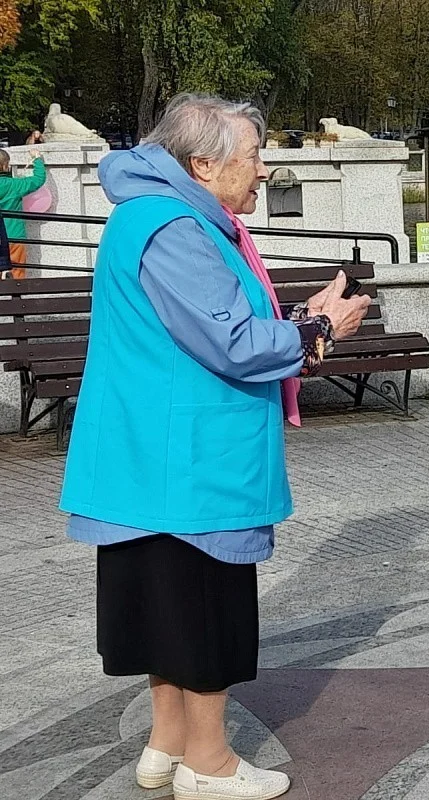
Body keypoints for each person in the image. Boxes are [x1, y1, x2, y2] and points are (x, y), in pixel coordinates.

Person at [58, 93, 372, 800]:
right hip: (189, 463)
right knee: (205, 615)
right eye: (254, 156)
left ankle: (167, 744)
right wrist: (321, 331)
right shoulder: (176, 227)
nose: (263, 170)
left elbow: (211, 323)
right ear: (203, 163)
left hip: (153, 458)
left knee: (163, 612)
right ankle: (209, 762)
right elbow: (231, 343)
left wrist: (302, 317)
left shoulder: (157, 215)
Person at [0, 147, 47, 279]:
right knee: (17, 273)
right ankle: (17, 291)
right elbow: (39, 179)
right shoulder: (14, 185)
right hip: (14, 235)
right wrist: (37, 159)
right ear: (6, 166)